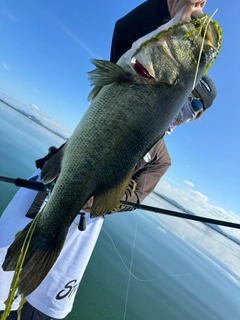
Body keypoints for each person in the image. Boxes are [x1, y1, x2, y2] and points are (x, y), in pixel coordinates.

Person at [0, 0, 216, 319]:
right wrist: (169, 9)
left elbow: (133, 197)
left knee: (44, 310)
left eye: (197, 106)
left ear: (194, 118)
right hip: (40, 195)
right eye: (192, 95)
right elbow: (126, 30)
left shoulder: (161, 159)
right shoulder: (137, 68)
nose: (190, 105)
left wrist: (99, 199)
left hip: (81, 231)